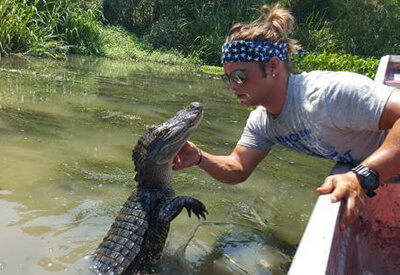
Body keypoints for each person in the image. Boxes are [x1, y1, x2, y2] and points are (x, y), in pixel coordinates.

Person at [172, 4, 400, 231]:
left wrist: (361, 176)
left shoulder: (329, 94)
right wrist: (199, 157)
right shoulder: (262, 123)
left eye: (240, 76)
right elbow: (238, 167)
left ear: (272, 66)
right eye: (228, 77)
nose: (232, 86)